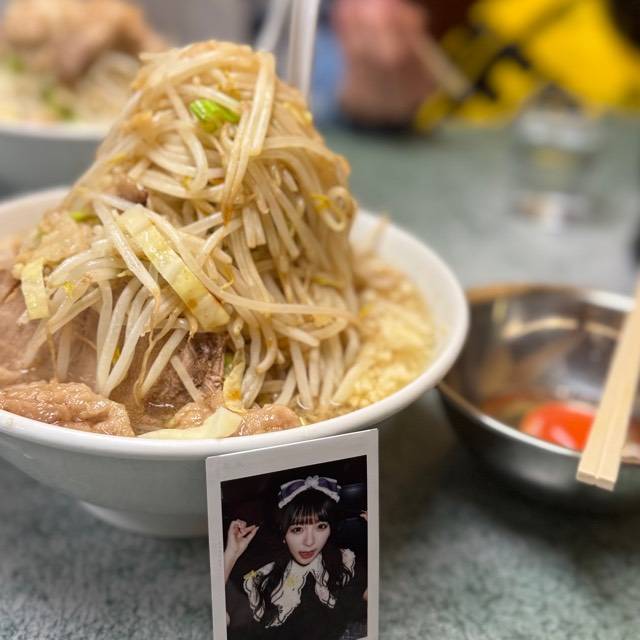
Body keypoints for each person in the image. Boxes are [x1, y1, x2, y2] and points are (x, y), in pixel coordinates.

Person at [223, 476, 367, 640]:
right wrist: (231, 554)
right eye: (297, 529)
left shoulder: (343, 562)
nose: (309, 542)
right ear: (283, 534)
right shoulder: (262, 576)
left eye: (321, 527)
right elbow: (217, 621)